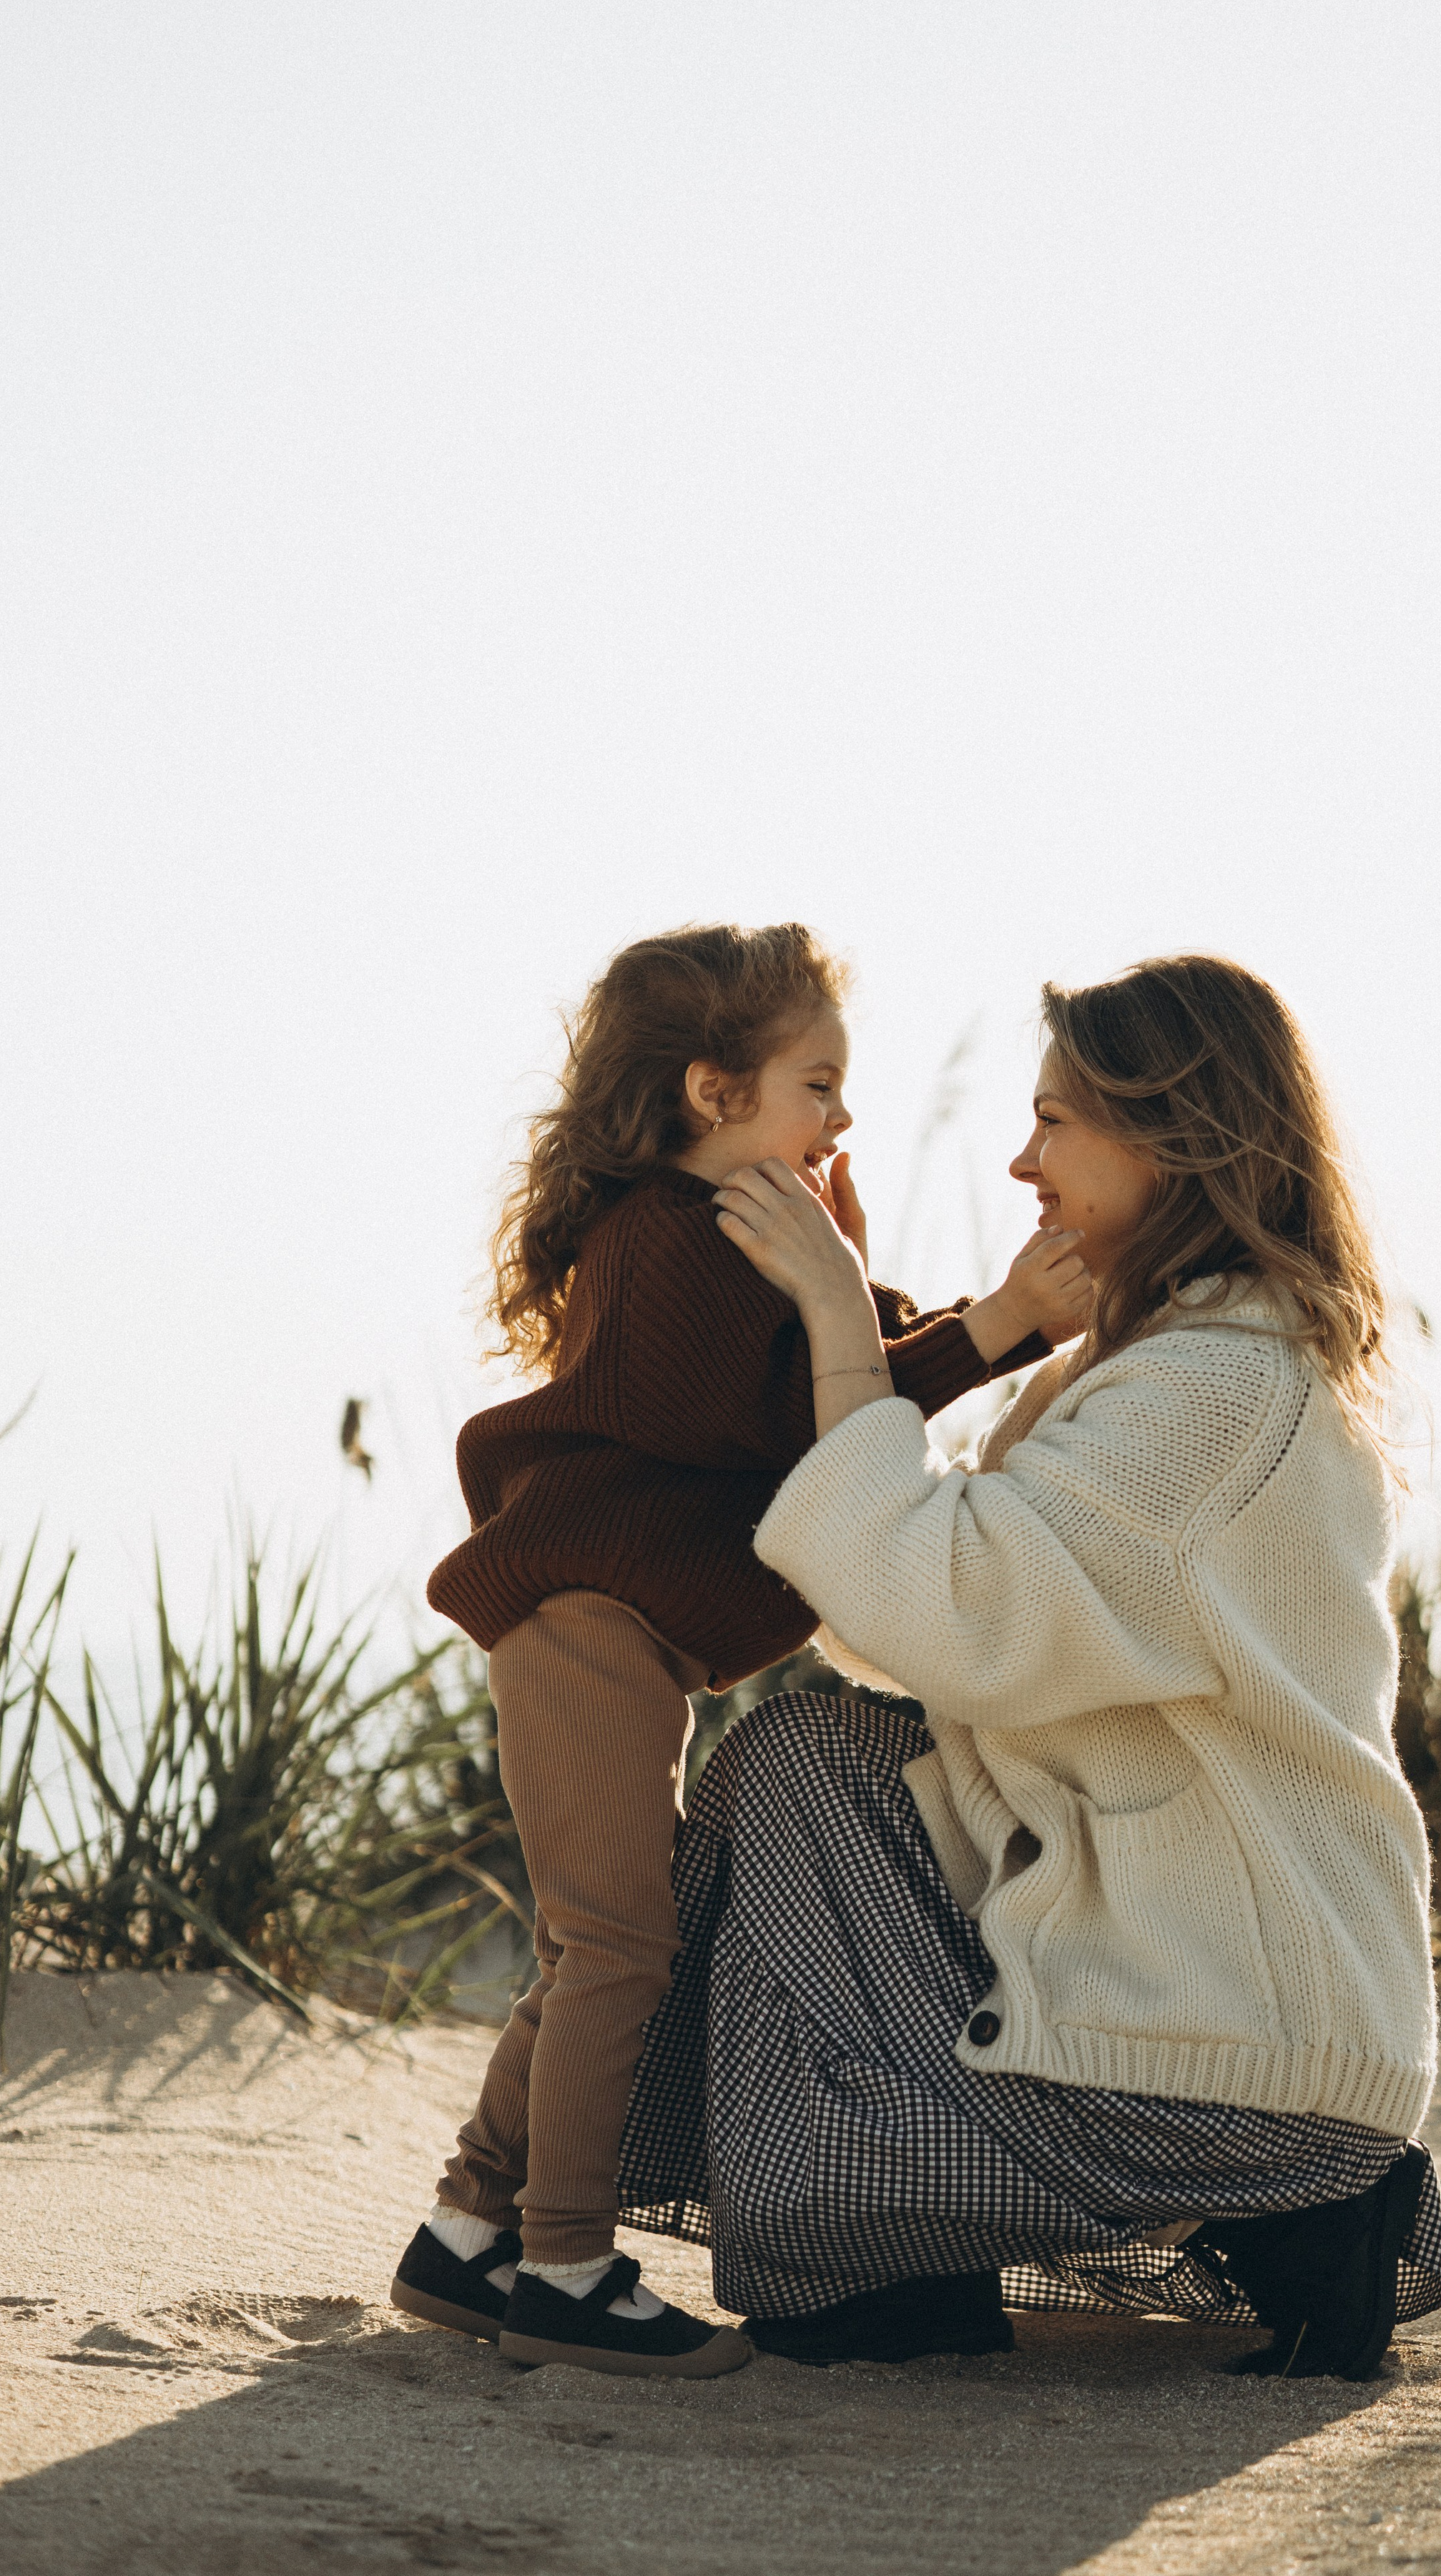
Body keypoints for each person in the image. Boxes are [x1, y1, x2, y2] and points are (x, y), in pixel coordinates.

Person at [615, 954, 1441, 2378]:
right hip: (1227, 2025)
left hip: (1233, 2065)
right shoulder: (1177, 1363)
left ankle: (888, 2249)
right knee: (814, 1765)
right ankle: (905, 2247)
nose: (1022, 1163)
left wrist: (840, 1320)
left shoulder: (1212, 1389)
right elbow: (910, 1625)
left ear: (1172, 1138)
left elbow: (941, 1608)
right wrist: (852, 1335)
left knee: (796, 1769)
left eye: (1054, 1122)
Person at [389, 920, 1091, 2378]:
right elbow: (797, 1425)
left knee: (591, 1946)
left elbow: (850, 1374)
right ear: (713, 1093)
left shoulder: (742, 1231)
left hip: (615, 1635)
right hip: (583, 1623)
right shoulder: (664, 1238)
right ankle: (564, 2267)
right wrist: (994, 1319)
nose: (843, 1118)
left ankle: (465, 2237)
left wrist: (917, 1303)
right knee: (615, 1951)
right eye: (816, 1087)